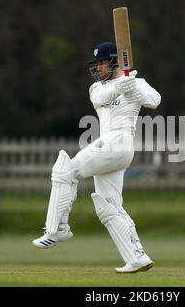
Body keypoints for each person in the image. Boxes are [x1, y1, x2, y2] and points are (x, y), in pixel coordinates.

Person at [32, 42, 161, 273]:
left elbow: (155, 100)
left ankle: (56, 230)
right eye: (97, 64)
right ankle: (137, 258)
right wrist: (123, 84)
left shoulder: (136, 82)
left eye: (102, 63)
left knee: (65, 170)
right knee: (108, 206)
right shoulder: (97, 88)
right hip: (111, 148)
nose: (99, 68)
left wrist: (135, 90)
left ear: (114, 62)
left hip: (119, 142)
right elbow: (101, 98)